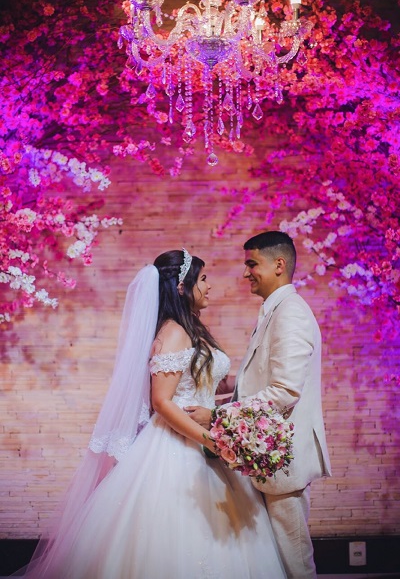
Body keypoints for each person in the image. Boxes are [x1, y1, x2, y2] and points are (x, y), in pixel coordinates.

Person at [19, 248, 286, 579]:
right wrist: (212, 440)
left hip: (206, 439)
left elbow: (205, 384)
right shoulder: (173, 332)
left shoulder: (192, 328)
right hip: (180, 445)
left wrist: (252, 393)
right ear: (182, 287)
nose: (209, 286)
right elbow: (161, 401)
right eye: (203, 279)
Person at [186, 231, 332, 579]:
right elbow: (266, 380)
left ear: (279, 265)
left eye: (252, 264)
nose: (245, 272)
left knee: (296, 561)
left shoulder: (291, 313)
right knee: (278, 559)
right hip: (267, 459)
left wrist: (217, 415)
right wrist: (218, 388)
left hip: (284, 461)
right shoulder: (274, 310)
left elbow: (285, 391)